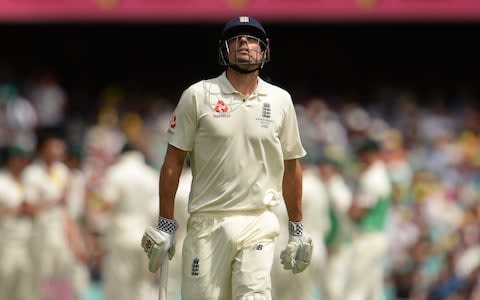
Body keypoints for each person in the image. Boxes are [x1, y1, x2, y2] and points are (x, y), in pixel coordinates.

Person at [141, 16, 313, 300]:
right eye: (236, 38)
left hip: (258, 219)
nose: (244, 42)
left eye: (251, 38)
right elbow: (172, 163)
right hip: (208, 222)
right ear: (224, 50)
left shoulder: (281, 100)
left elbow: (292, 166)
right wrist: (166, 224)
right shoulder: (197, 95)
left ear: (265, 49)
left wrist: (297, 230)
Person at [99, 143, 159, 300]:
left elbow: (107, 204)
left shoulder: (115, 173)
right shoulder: (151, 175)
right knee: (144, 284)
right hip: (148, 237)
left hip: (122, 235)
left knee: (121, 285)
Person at [345, 139, 392, 300]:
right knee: (373, 288)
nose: (359, 160)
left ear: (369, 155)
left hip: (367, 238)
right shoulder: (380, 174)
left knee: (356, 287)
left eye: (361, 156)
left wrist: (347, 207)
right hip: (377, 237)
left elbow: (356, 213)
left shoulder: (372, 178)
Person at [0, 146, 34, 300]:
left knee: (24, 292)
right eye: (20, 159)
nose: (24, 163)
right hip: (6, 244)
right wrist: (17, 211)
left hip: (27, 243)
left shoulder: (26, 182)